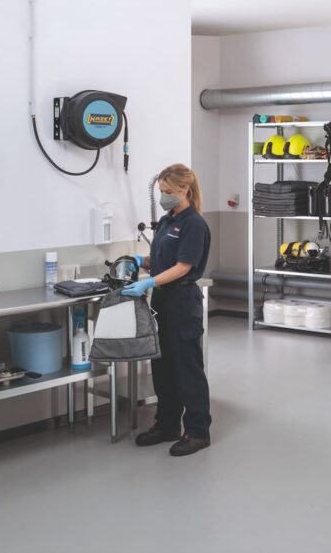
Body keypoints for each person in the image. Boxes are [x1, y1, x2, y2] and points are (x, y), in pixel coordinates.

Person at [121, 164, 212, 456]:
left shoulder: (194, 224)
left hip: (182, 301)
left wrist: (149, 281)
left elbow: (183, 266)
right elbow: (162, 258)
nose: (164, 196)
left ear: (185, 189)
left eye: (168, 191)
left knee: (187, 368)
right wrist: (141, 261)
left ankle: (197, 431)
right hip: (161, 300)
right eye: (161, 191)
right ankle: (167, 424)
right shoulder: (166, 220)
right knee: (162, 367)